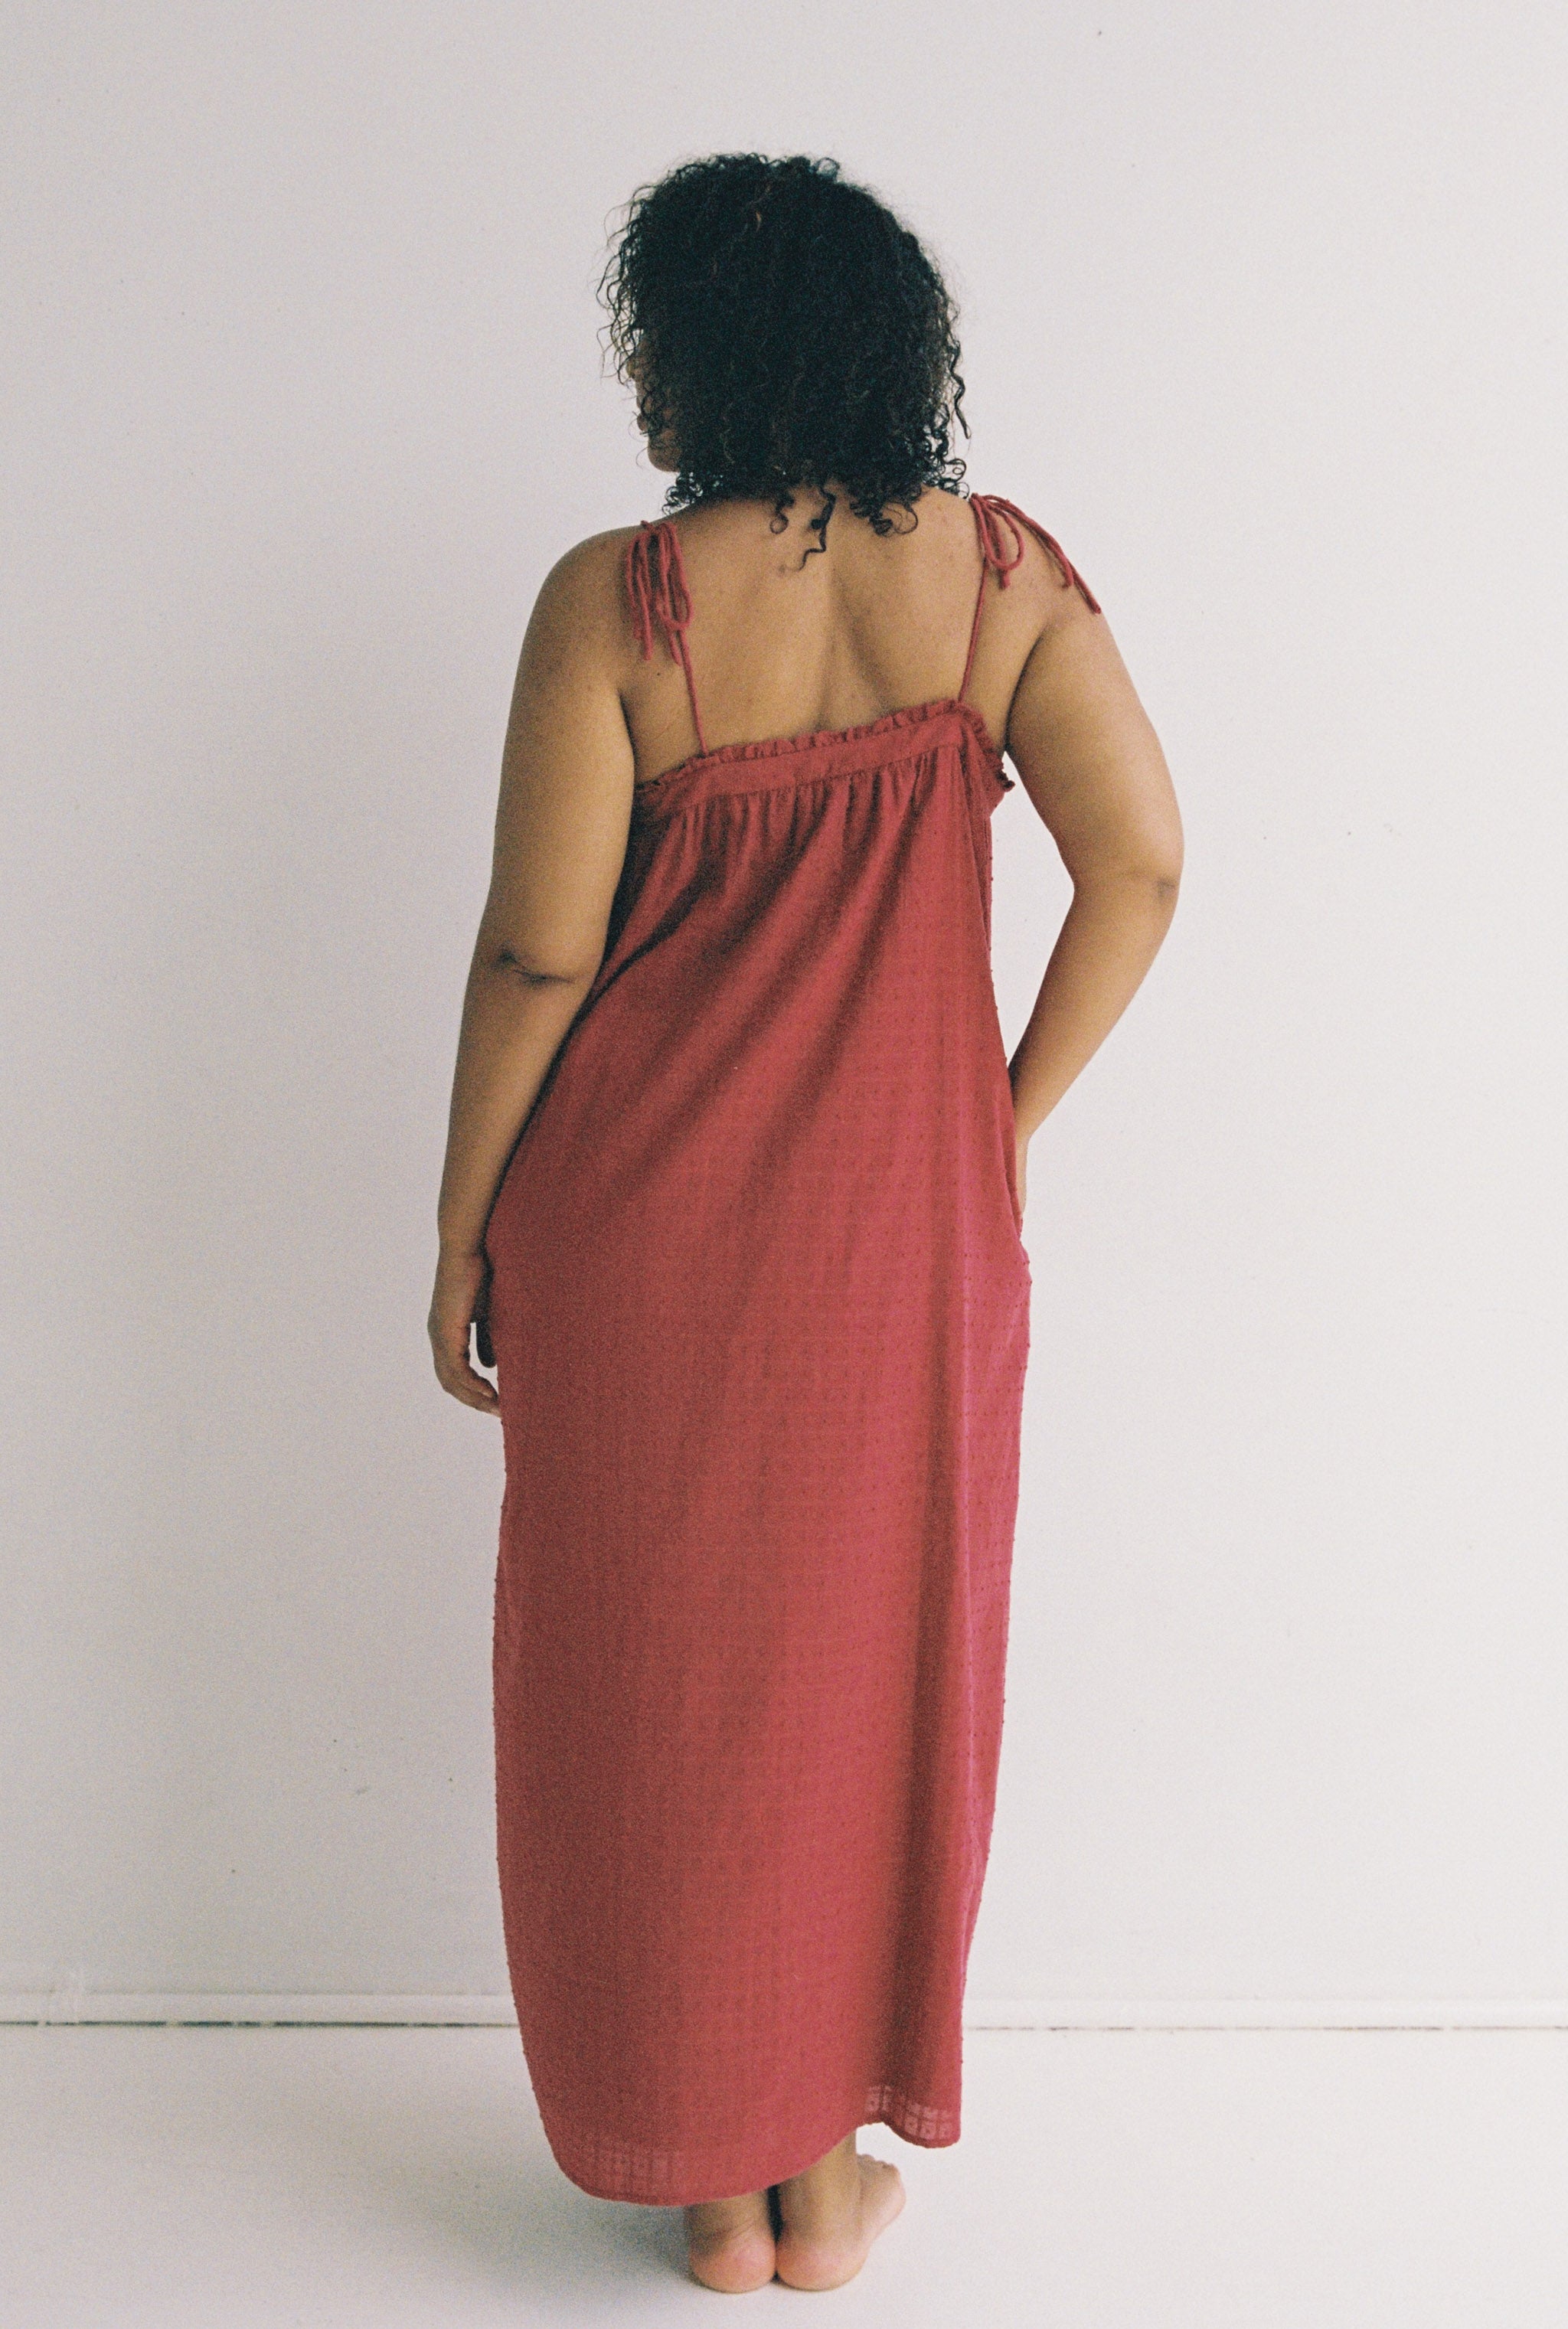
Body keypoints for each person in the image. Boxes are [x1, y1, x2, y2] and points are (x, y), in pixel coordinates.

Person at [429, 152, 1181, 2295]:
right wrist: (994, 1121)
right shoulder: (1006, 577)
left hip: (636, 1236)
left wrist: (458, 1223)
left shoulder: (621, 602)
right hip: (905, 1251)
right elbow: (1142, 863)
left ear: (704, 352)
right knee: (872, 1666)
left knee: (659, 1677)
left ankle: (712, 2171)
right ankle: (828, 2168)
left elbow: (532, 962)